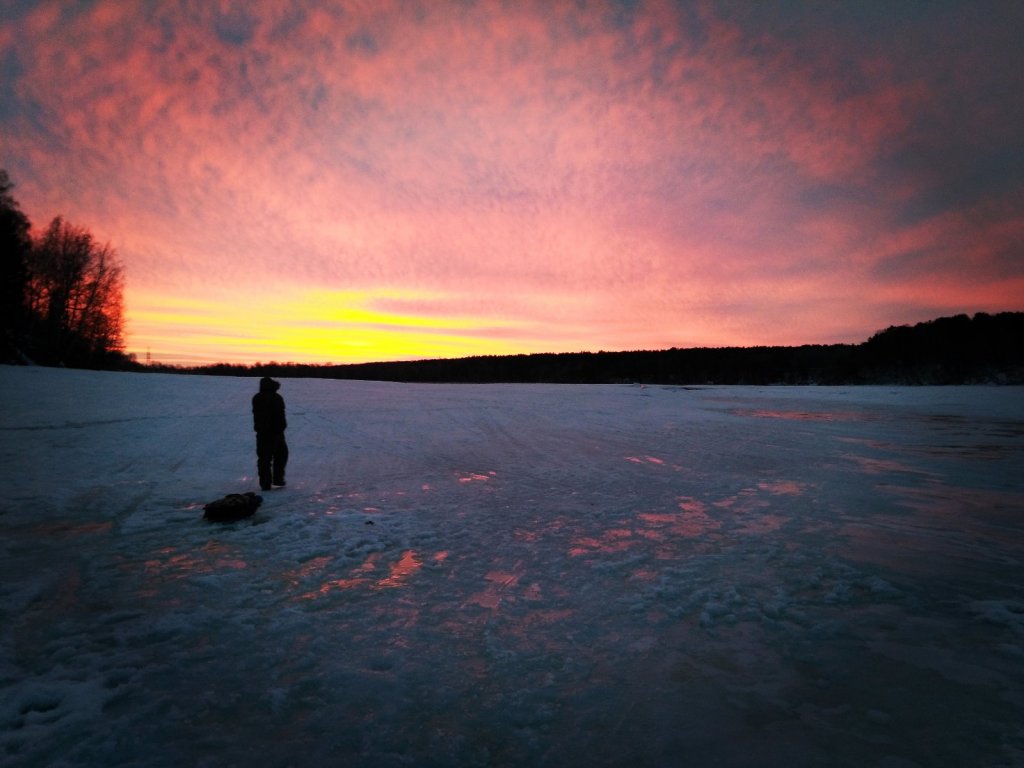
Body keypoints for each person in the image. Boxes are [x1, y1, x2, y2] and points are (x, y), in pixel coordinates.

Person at [252, 376, 288, 491]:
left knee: (265, 458)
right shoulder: (276, 397)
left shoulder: (257, 398)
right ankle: (277, 479)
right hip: (275, 432)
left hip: (263, 433)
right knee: (280, 456)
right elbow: (280, 416)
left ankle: (265, 484)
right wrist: (281, 428)